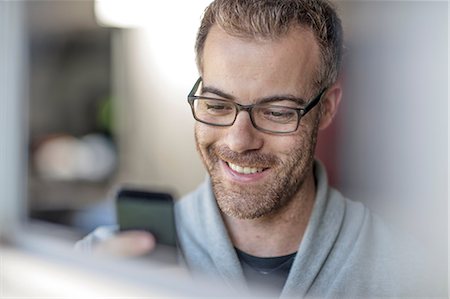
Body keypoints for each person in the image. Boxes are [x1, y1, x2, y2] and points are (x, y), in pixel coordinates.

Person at [76, 0, 430, 297]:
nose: (239, 141)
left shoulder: (411, 275)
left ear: (326, 109)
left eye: (276, 112)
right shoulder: (99, 267)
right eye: (217, 106)